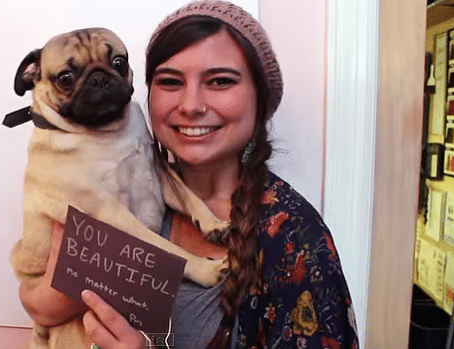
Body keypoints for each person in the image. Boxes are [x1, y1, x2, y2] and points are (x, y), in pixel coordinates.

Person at [19, 1, 360, 348]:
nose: (192, 104)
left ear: (260, 97)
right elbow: (41, 303)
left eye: (220, 81)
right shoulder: (124, 186)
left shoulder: (295, 238)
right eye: (170, 82)